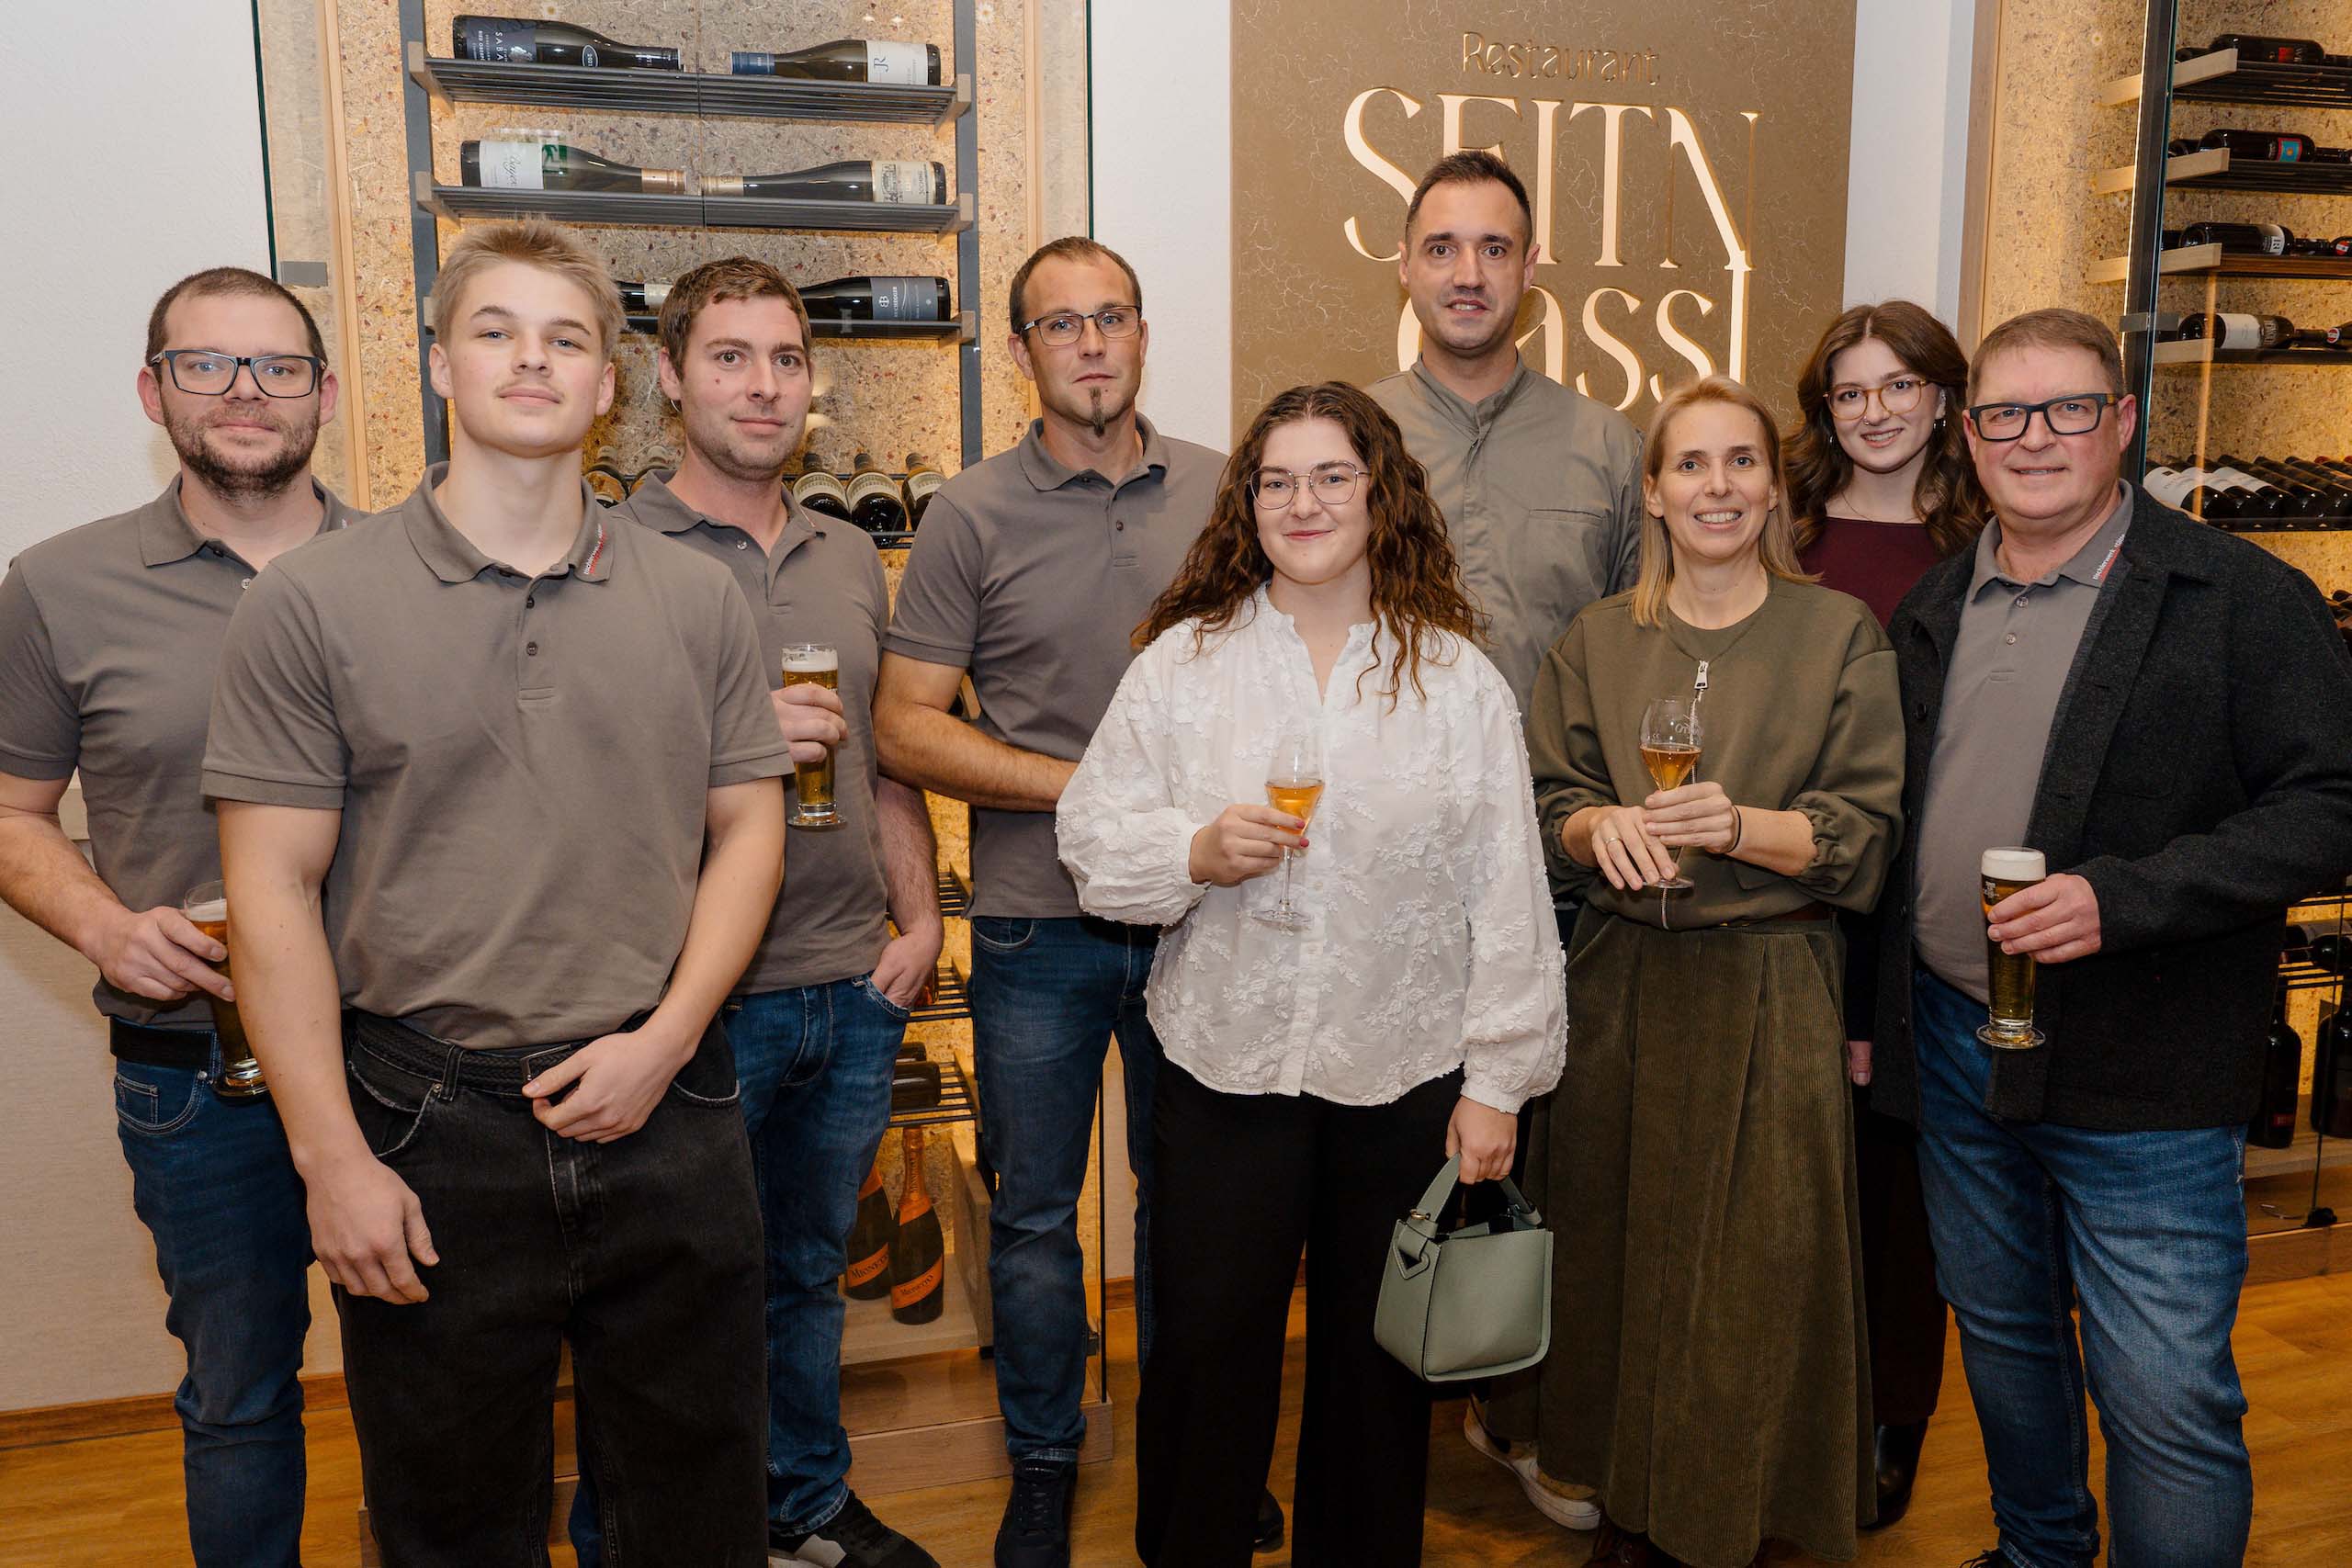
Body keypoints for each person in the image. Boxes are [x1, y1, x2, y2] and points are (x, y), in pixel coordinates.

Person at [201, 220, 789, 1565]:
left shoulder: (699, 598)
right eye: (496, 331)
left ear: (608, 386)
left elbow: (752, 828)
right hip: (426, 1120)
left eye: (566, 338)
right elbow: (269, 891)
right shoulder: (309, 604)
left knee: (699, 1517)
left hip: (667, 1100)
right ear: (439, 366)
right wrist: (330, 1161)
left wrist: (668, 1039)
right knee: (452, 1527)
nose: (533, 359)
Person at [1872, 308, 2352, 1568]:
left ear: (2123, 422)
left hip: (2147, 1069)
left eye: (2068, 409)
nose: (2034, 438)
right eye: (2004, 414)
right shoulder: (1936, 604)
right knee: (2005, 1342)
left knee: (2164, 1394)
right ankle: (2040, 1554)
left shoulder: (2241, 598)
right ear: (1968, 436)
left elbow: (2329, 807)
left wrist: (2120, 899)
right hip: (1959, 1044)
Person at [1058, 380, 1566, 1568]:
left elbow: (1508, 894)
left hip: (1402, 1078)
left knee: (1376, 1375)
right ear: (1248, 504)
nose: (1304, 502)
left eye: (1333, 476)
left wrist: (1498, 1084)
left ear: (1381, 495)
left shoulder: (1456, 682)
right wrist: (1193, 852)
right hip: (1222, 1073)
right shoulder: (1184, 664)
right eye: (1277, 481)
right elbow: (1090, 837)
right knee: (1203, 1360)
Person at [557, 258, 943, 1568]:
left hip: (849, 984)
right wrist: (727, 739)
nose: (763, 386)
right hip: (692, 1002)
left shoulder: (851, 552)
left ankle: (804, 1501)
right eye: (729, 358)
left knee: (806, 1276)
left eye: (785, 360)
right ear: (666, 379)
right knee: (657, 1298)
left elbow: (880, 758)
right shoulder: (607, 551)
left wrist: (919, 921)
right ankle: (637, 1536)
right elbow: (569, 779)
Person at [876, 235, 1230, 1568]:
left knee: (1192, 1212)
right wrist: (1090, 793)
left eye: (1111, 317)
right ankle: (1042, 1462)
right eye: (1059, 323)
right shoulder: (969, 515)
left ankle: (1193, 1457)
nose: (1090, 343)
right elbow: (905, 727)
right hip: (1036, 924)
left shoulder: (1224, 491)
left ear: (1142, 333)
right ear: (1021, 349)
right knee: (1032, 1219)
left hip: (1202, 917)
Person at [0, 267, 359, 1568]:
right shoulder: (57, 585)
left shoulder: (409, 569)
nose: (245, 392)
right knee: (240, 1394)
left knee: (440, 1374)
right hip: (196, 1071)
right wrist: (103, 928)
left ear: (325, 393)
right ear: (155, 394)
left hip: (408, 1055)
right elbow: (10, 813)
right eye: (207, 365)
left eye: (277, 366)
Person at [1525, 376, 1904, 1568]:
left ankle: (1725, 1517)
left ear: (1776, 487)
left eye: (1743, 461)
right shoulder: (1596, 639)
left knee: (1750, 1275)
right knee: (1615, 1259)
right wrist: (1596, 828)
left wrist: (1738, 828)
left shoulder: (1839, 633)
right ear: (1652, 492)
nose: (1718, 486)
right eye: (1690, 464)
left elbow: (1863, 834)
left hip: (1770, 984)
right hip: (1621, 984)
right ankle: (1627, 1511)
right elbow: (1547, 801)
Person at [1369, 148, 1643, 1534]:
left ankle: (1524, 1409)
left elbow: (1645, 644)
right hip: (1382, 869)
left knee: (1551, 1151)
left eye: (1495, 247)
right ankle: (1385, 1428)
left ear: (1532, 271)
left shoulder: (1607, 445)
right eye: (1443, 246)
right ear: (1404, 265)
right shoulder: (1347, 433)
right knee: (1395, 1152)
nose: (1468, 272)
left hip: (1560, 855)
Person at [1785, 299, 1989, 1528]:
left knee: (1899, 1179)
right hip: (1788, 880)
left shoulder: (1988, 536)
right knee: (1793, 1173)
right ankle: (1793, 1408)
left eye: (1898, 386)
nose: (1874, 412)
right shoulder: (1783, 527)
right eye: (1850, 391)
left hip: (1921, 893)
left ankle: (1890, 1416)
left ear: (1943, 398)